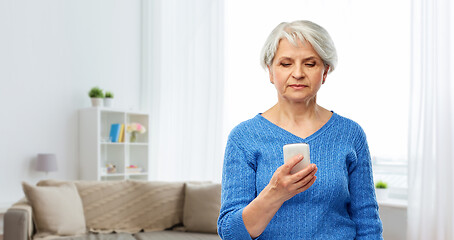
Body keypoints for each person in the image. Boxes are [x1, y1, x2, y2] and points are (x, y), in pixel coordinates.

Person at [217, 20, 383, 239]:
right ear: (270, 71)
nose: (297, 73)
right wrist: (275, 193)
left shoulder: (350, 134)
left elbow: (367, 221)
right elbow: (230, 232)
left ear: (325, 72)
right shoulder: (244, 138)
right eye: (285, 64)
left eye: (310, 63)